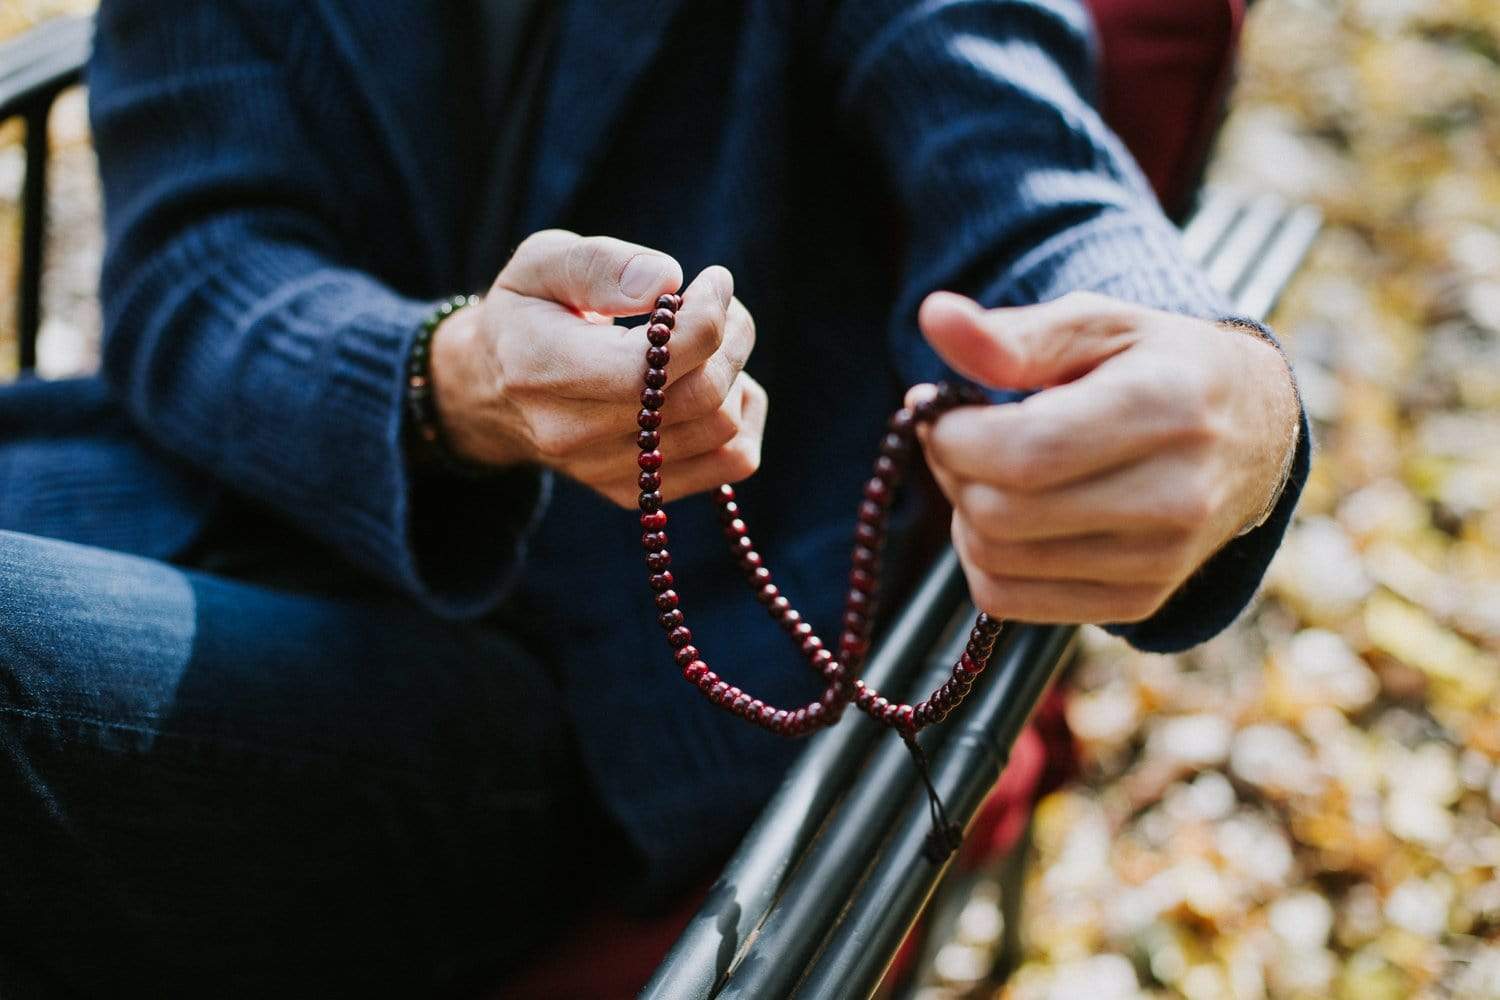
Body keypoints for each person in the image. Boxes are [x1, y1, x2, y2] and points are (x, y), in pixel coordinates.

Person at [0, 0, 1307, 993]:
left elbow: (1031, 178)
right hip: (164, 498)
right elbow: (196, 263)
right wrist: (452, 378)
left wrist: (1226, 389)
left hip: (554, 682)